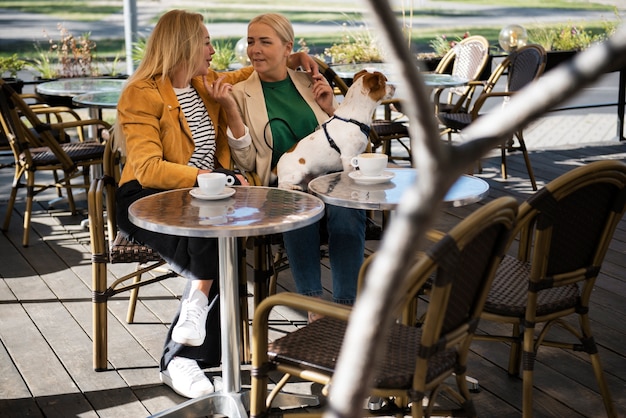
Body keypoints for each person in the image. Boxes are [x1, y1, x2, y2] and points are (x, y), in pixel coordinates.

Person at [115, 9, 318, 399]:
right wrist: (213, 180)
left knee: (221, 235)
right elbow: (147, 167)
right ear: (184, 45)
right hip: (147, 199)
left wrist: (294, 58)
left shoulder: (205, 85)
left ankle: (185, 346)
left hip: (204, 198)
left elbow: (253, 70)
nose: (212, 50)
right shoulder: (140, 93)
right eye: (206, 41)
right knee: (217, 241)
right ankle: (184, 354)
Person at [214, 13, 366, 317]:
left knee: (347, 213)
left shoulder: (308, 81)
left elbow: (343, 141)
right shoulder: (241, 93)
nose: (254, 49)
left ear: (288, 48)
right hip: (283, 183)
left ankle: (347, 308)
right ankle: (313, 306)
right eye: (251, 41)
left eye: (265, 42)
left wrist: (330, 108)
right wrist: (231, 113)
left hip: (331, 177)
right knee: (296, 209)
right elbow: (245, 162)